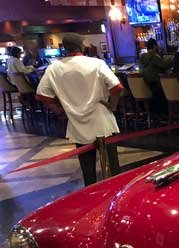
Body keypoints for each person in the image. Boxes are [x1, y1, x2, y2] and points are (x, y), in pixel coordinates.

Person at [36, 33, 123, 186]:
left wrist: (60, 111)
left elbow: (42, 95)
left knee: (87, 171)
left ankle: (91, 197)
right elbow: (116, 87)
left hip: (77, 124)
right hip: (101, 119)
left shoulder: (54, 68)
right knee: (112, 170)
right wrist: (112, 106)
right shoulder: (96, 63)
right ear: (81, 45)